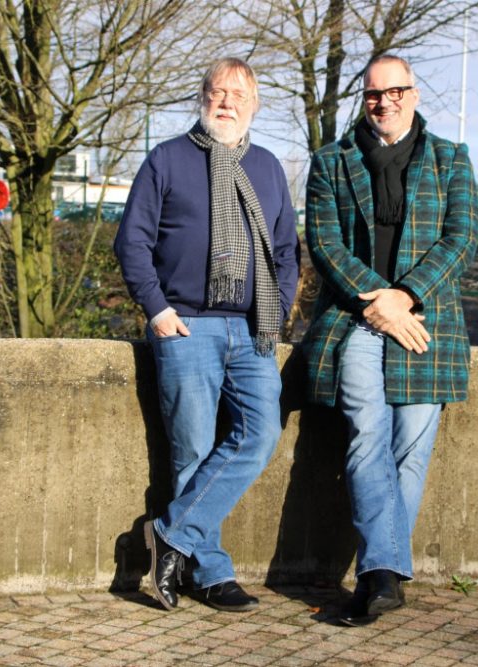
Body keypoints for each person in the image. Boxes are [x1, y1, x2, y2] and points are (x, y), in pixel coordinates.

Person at [114, 57, 300, 612]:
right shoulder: (167, 159)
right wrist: (157, 309)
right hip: (186, 324)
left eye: (239, 94)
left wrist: (279, 307)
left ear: (255, 105)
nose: (227, 102)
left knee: (261, 433)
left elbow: (288, 249)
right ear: (202, 98)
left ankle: (167, 535)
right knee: (192, 450)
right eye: (217, 92)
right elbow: (132, 242)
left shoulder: (267, 167)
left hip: (252, 330)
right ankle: (211, 575)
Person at [301, 54, 478, 626]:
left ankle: (379, 575)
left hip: (427, 324)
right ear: (365, 98)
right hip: (355, 319)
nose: (385, 102)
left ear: (414, 93)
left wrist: (405, 298)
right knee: (366, 437)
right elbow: (325, 244)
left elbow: (461, 240)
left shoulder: (452, 159)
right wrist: (378, 302)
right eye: (375, 93)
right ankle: (382, 576)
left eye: (395, 91)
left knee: (411, 449)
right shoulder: (331, 161)